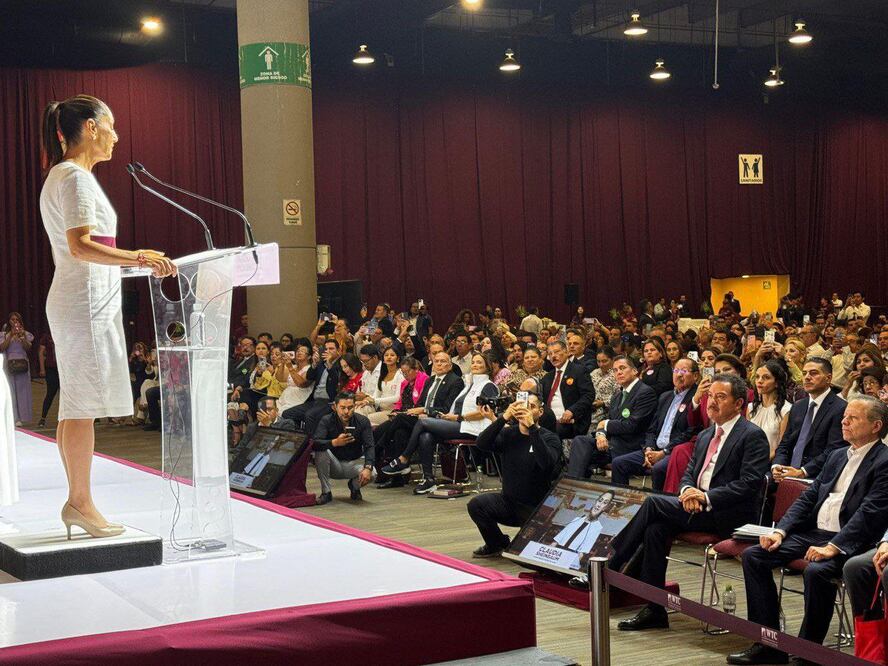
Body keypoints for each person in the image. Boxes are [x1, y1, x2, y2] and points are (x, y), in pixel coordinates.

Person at [39, 94, 176, 537]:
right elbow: (80, 246)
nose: (117, 136)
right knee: (81, 409)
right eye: (112, 126)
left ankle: (78, 501)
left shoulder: (70, 177)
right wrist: (138, 256)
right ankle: (80, 502)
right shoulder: (74, 178)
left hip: (82, 301)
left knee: (76, 408)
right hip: (82, 305)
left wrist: (136, 262)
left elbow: (87, 248)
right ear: (92, 128)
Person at [729, 397, 888, 665]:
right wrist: (780, 531)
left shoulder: (884, 461)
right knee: (755, 556)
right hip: (815, 533)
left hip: (853, 541)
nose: (844, 421)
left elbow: (870, 512)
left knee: (818, 571)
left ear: (876, 426)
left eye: (853, 418)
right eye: (844, 416)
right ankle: (768, 642)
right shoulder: (838, 455)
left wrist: (834, 546)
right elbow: (807, 498)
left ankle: (808, 651)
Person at [609, 374, 770, 632]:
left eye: (721, 397)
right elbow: (689, 472)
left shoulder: (752, 435)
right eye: (711, 396)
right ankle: (654, 609)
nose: (712, 402)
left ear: (739, 403)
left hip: (727, 515)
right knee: (655, 529)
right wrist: (687, 491)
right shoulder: (706, 434)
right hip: (694, 506)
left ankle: (612, 564)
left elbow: (749, 484)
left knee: (652, 503)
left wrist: (705, 497)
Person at [382, 352, 497, 495]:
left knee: (423, 422)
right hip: (459, 423)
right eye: (473, 362)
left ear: (488, 366)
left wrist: (458, 417)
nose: (475, 365)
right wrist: (449, 416)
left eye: (479, 362)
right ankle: (429, 480)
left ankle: (404, 458)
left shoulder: (488, 386)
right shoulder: (469, 384)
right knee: (426, 436)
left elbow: (485, 412)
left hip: (474, 428)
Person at [467, 394, 562, 557]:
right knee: (476, 504)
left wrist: (532, 428)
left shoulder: (550, 438)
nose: (525, 410)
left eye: (531, 406)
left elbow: (546, 464)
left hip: (537, 508)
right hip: (509, 503)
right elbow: (482, 443)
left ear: (540, 412)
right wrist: (503, 418)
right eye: (522, 405)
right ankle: (496, 543)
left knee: (530, 555)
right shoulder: (509, 434)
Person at [610, 358, 700, 490]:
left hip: (674, 452)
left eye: (684, 371)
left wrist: (663, 452)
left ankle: (655, 506)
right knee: (619, 463)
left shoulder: (696, 398)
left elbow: (691, 431)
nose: (679, 374)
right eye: (676, 370)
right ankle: (619, 505)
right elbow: (651, 429)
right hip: (654, 450)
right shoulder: (665, 396)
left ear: (696, 375)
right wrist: (649, 450)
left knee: (659, 468)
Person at [566, 355, 658, 477]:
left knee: (583, 458)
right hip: (611, 445)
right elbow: (607, 421)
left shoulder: (645, 392)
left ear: (635, 371)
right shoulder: (617, 396)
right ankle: (577, 485)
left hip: (631, 447)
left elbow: (631, 425)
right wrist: (601, 434)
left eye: (622, 368)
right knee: (581, 442)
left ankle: (576, 484)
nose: (619, 372)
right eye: (615, 370)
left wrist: (605, 424)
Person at [771, 358, 847, 483]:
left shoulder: (840, 408)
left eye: (813, 373)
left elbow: (834, 450)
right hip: (788, 473)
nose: (807, 377)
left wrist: (803, 471)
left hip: (816, 478)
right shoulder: (798, 406)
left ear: (828, 378)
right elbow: (785, 443)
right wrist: (777, 466)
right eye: (805, 373)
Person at [312, 392, 376, 505]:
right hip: (333, 464)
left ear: (355, 406)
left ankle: (354, 486)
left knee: (373, 472)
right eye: (342, 408)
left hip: (354, 463)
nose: (346, 411)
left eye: (350, 407)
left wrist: (368, 467)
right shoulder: (326, 420)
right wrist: (334, 442)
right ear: (335, 407)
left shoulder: (362, 421)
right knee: (321, 451)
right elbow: (315, 443)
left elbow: (369, 446)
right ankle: (326, 492)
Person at [282, 338, 341, 435]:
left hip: (329, 401)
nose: (328, 351)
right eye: (326, 349)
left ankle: (310, 443)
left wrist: (330, 364)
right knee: (287, 413)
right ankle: (297, 437)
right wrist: (314, 364)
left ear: (338, 351)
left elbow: (336, 381)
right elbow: (309, 377)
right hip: (315, 400)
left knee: (310, 415)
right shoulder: (321, 363)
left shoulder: (341, 364)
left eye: (331, 349)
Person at [539, 340, 595, 440]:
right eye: (550, 354)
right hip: (549, 420)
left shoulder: (579, 370)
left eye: (556, 352)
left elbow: (588, 395)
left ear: (566, 352)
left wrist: (572, 411)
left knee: (549, 433)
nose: (553, 356)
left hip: (572, 421)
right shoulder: (547, 377)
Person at [747, 359, 792, 458]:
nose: (759, 381)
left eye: (766, 377)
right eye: (757, 377)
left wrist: (760, 463)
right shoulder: (750, 408)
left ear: (776, 383)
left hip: (770, 463)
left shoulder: (786, 409)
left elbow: (782, 447)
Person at [0, 312, 34, 426]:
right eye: (12, 319)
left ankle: (23, 417)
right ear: (9, 321)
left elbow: (28, 347)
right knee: (11, 392)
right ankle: (14, 417)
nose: (15, 321)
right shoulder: (5, 334)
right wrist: (10, 335)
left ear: (20, 321)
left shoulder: (25, 334)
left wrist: (22, 336)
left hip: (23, 364)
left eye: (17, 319)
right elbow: (2, 347)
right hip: (9, 365)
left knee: (22, 391)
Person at [589, 346, 618, 431]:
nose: (601, 364)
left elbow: (619, 397)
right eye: (598, 361)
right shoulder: (594, 373)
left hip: (607, 413)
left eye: (604, 361)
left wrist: (603, 403)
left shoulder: (617, 374)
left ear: (612, 359)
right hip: (589, 410)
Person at [37, 329, 59, 427]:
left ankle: (66, 418)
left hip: (63, 369)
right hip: (51, 368)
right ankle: (43, 418)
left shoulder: (63, 333)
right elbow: (41, 352)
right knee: (50, 393)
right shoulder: (47, 337)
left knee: (66, 395)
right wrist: (42, 369)